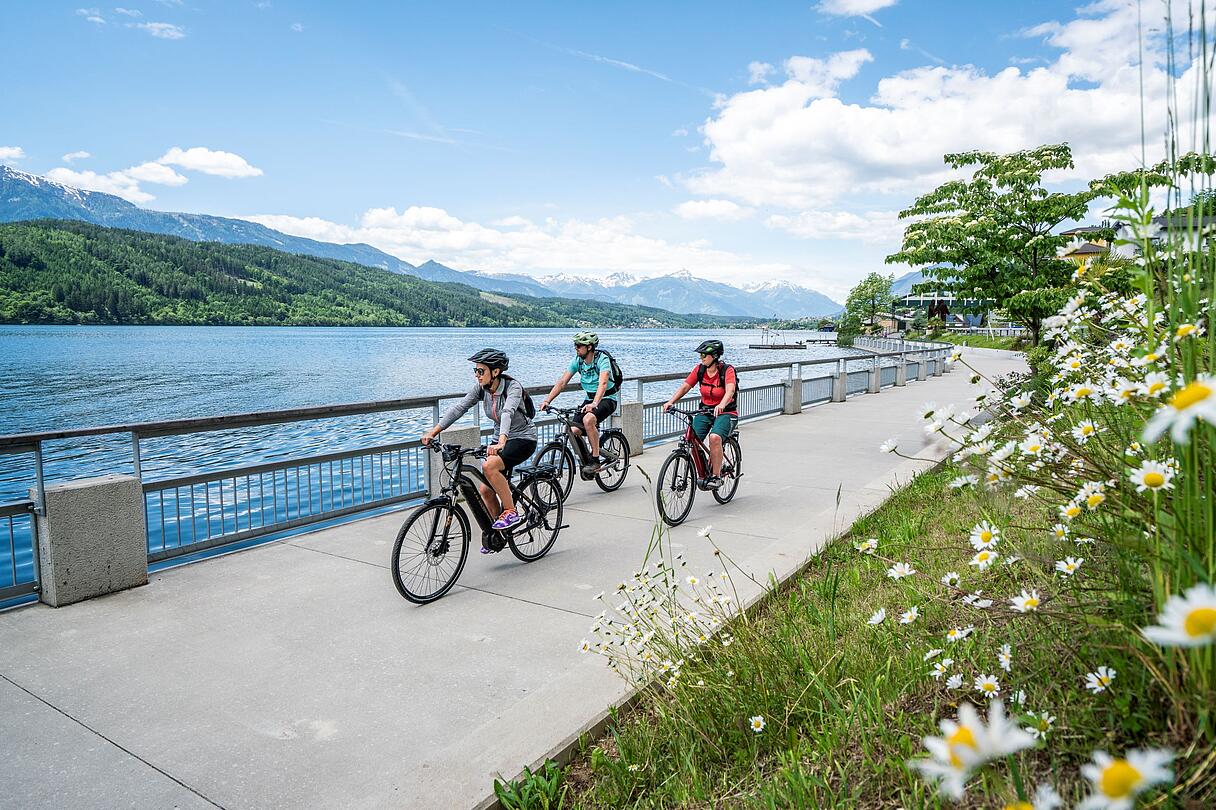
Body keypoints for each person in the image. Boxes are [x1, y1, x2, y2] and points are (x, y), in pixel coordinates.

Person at [420, 348, 537, 550]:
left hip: (522, 438)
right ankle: (499, 534)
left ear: (495, 372)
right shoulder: (481, 389)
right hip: (498, 440)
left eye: (480, 371)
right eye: (475, 371)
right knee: (485, 490)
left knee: (490, 468)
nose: (477, 375)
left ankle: (510, 511)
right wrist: (434, 431)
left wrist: (501, 441)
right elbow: (459, 408)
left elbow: (508, 412)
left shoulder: (513, 387)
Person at [661, 339, 737, 488]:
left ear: (714, 356)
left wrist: (722, 404)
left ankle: (716, 476)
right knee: (691, 440)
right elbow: (685, 387)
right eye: (701, 355)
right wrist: (671, 401)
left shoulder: (727, 370)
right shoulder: (700, 370)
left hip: (726, 412)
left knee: (714, 438)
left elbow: (730, 390)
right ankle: (703, 470)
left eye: (704, 355)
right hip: (705, 410)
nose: (701, 358)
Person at [539, 331, 617, 472]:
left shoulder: (602, 359)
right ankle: (587, 462)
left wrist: (594, 404)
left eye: (579, 345)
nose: (576, 348)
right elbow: (563, 382)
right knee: (573, 430)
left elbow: (603, 383)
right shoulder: (578, 361)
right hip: (589, 399)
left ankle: (595, 460)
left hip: (607, 399)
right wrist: (547, 400)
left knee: (588, 420)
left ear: (589, 347)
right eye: (575, 345)